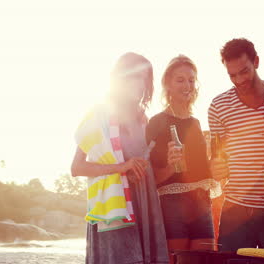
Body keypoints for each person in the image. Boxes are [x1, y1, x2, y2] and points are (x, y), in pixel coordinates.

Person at [71, 52, 169, 264]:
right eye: (135, 76)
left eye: (145, 78)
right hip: (114, 211)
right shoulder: (99, 115)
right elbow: (77, 167)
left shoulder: (145, 120)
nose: (141, 83)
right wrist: (122, 167)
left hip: (144, 207)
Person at [208, 38, 264, 252]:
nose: (239, 80)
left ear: (257, 62)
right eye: (232, 75)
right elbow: (217, 158)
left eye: (244, 71)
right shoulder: (218, 106)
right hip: (235, 210)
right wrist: (215, 167)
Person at [146, 55, 216, 263]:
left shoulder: (196, 123)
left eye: (191, 80)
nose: (187, 85)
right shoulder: (157, 123)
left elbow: (204, 171)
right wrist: (169, 165)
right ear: (167, 83)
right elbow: (152, 180)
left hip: (202, 202)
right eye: (180, 80)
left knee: (205, 260)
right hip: (173, 205)